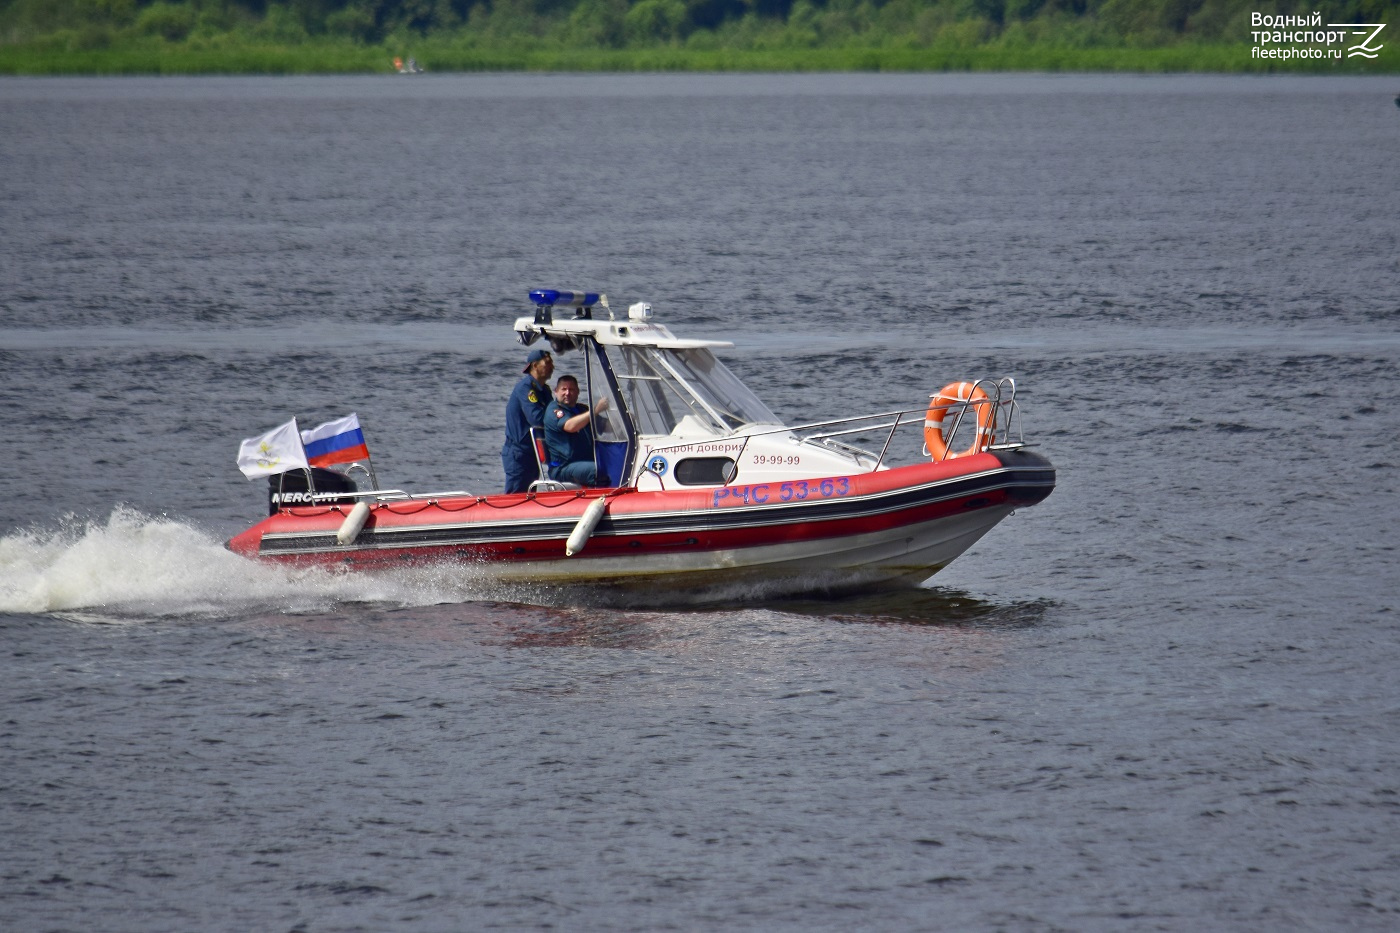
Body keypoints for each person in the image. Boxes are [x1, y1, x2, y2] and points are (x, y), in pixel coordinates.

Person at [501, 348, 553, 493]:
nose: (552, 367)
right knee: (515, 496)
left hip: (533, 452)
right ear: (535, 366)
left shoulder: (545, 391)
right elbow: (537, 418)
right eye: (547, 363)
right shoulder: (526, 388)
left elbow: (553, 415)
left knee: (530, 495)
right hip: (518, 453)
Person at [544, 374, 608, 487]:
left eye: (571, 389)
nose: (567, 393)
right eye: (564, 389)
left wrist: (627, 420)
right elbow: (570, 426)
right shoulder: (554, 410)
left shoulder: (582, 410)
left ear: (578, 392)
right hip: (563, 467)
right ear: (556, 391)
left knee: (616, 460)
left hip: (584, 462)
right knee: (597, 470)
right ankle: (603, 498)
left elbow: (605, 426)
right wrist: (595, 410)